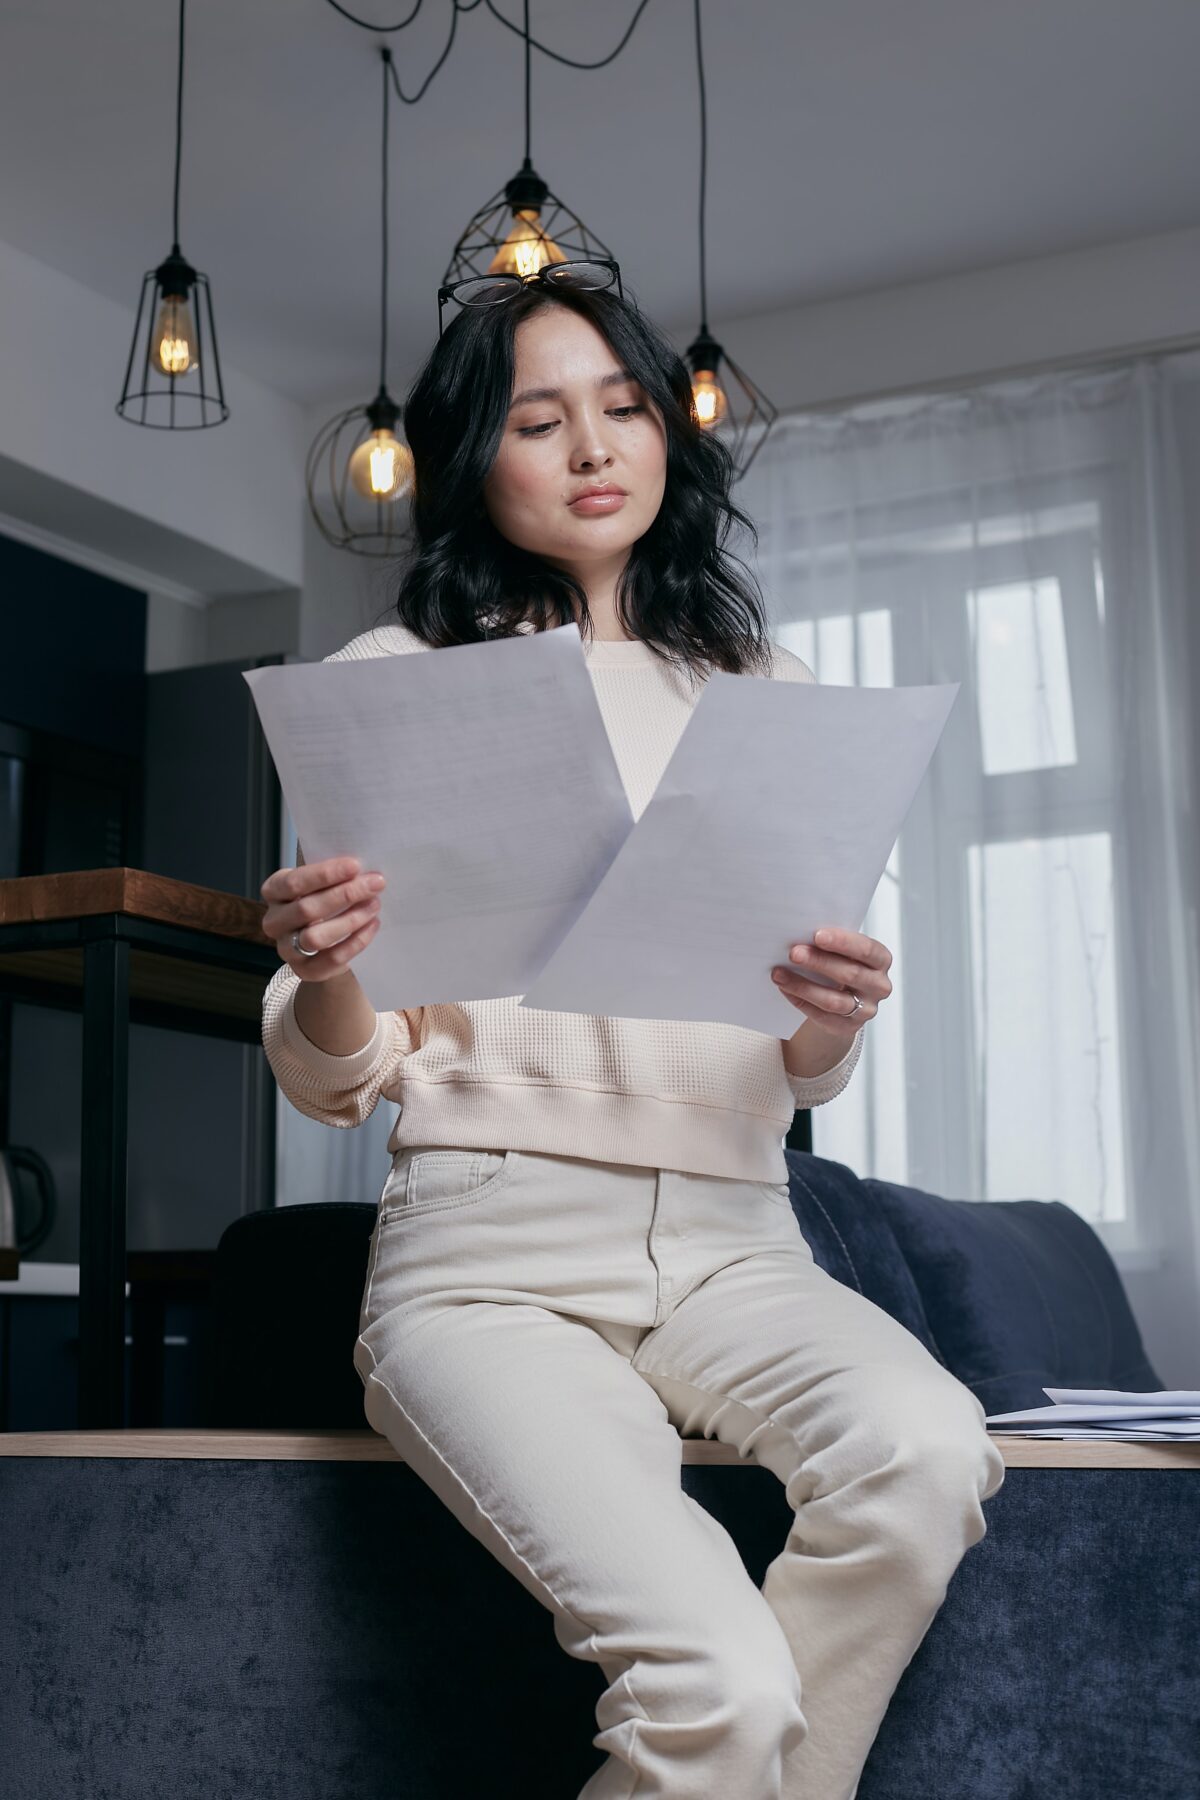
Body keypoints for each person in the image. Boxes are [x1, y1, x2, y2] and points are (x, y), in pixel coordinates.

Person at [257, 264, 1006, 1800]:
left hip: (739, 1239)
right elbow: (343, 1073)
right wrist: (325, 968)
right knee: (715, 1686)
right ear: (479, 462)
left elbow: (794, 1070)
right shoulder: (395, 685)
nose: (597, 448)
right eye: (542, 420)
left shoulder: (762, 685)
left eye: (624, 407)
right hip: (488, 1255)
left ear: (669, 432)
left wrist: (830, 1021)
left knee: (931, 1453)